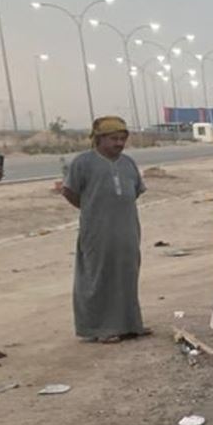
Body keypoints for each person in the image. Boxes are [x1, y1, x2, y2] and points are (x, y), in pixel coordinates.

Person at [60, 116, 148, 342]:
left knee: (127, 273)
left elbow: (135, 191)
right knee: (99, 276)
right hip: (97, 231)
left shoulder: (128, 163)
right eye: (113, 139)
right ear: (99, 139)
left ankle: (130, 324)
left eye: (122, 139)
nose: (119, 143)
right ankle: (101, 329)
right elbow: (69, 192)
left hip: (127, 229)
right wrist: (93, 208)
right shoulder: (83, 163)